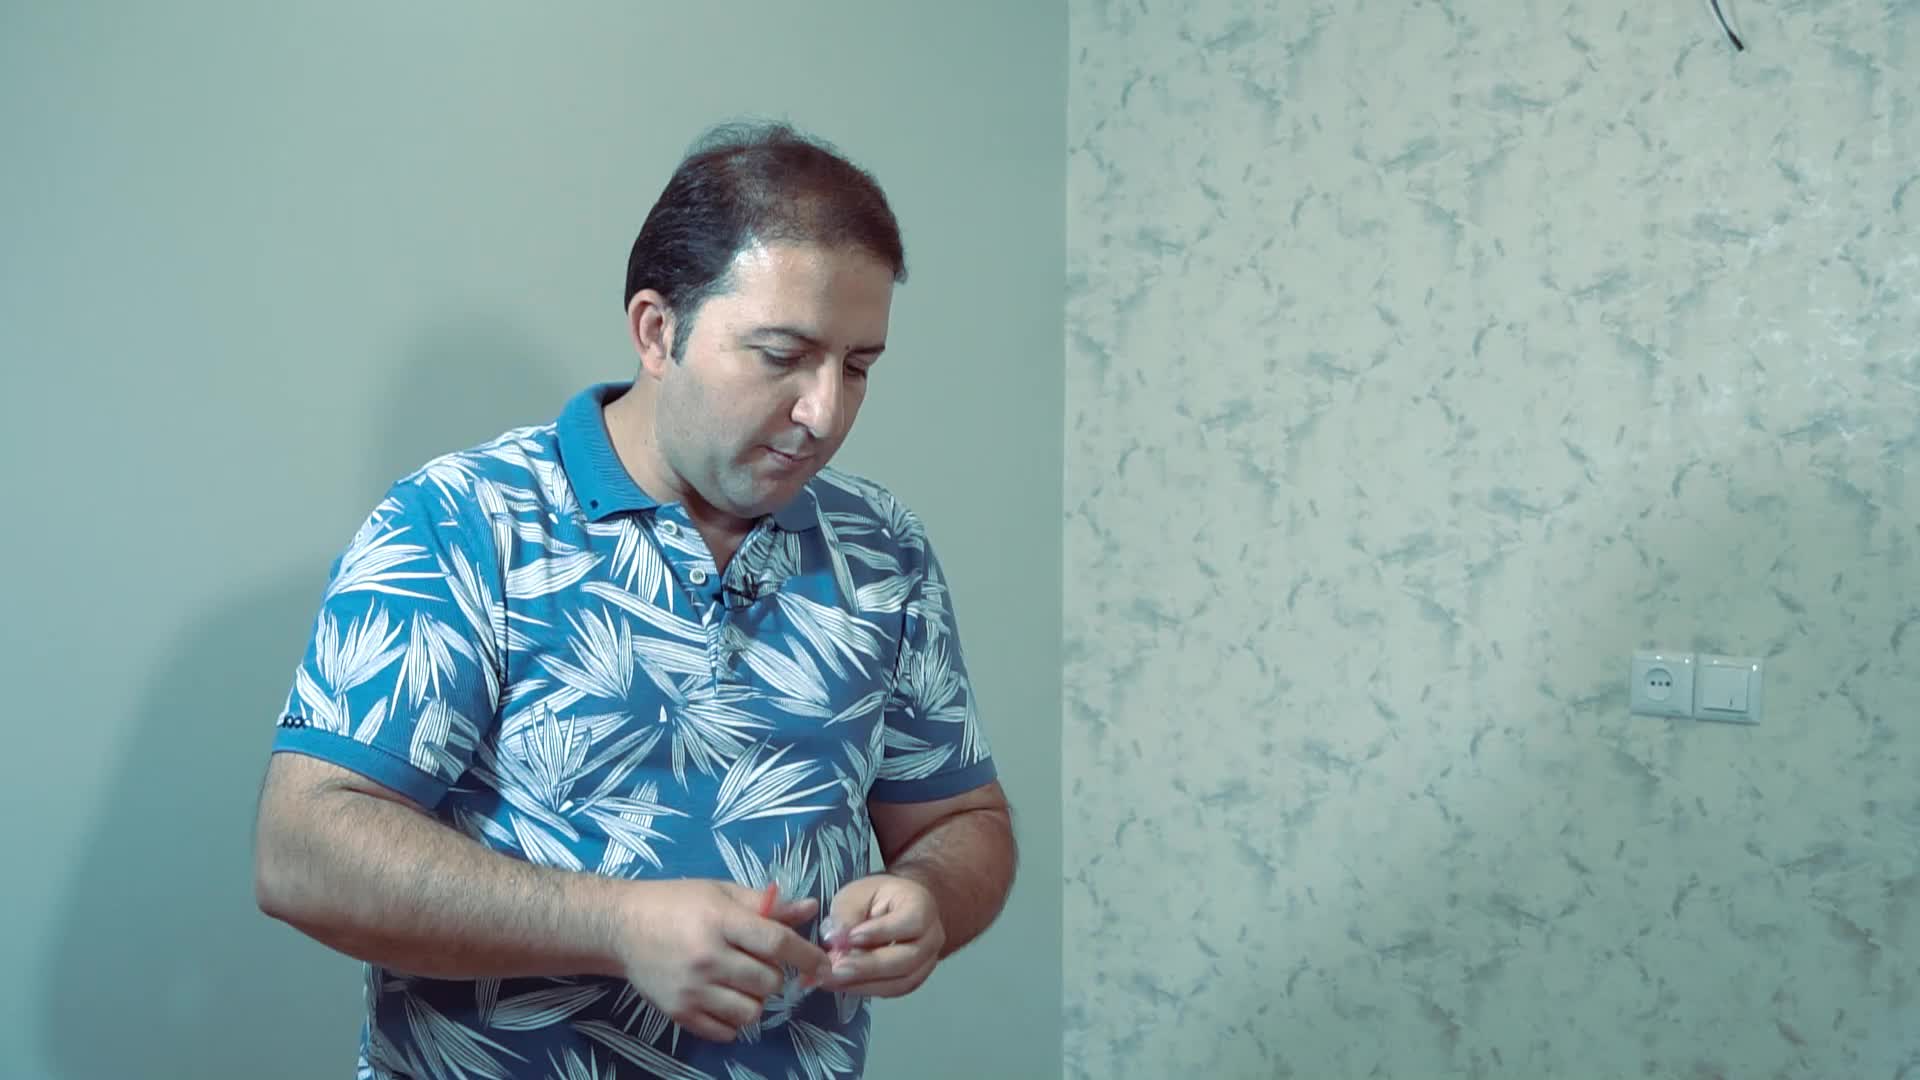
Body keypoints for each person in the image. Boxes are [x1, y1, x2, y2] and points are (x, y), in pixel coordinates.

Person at [251, 119, 1018, 1080]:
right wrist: (616, 926)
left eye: (857, 366)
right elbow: (302, 850)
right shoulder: (460, 522)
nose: (824, 412)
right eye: (783, 354)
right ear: (658, 331)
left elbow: (962, 822)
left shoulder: (882, 547)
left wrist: (931, 899)